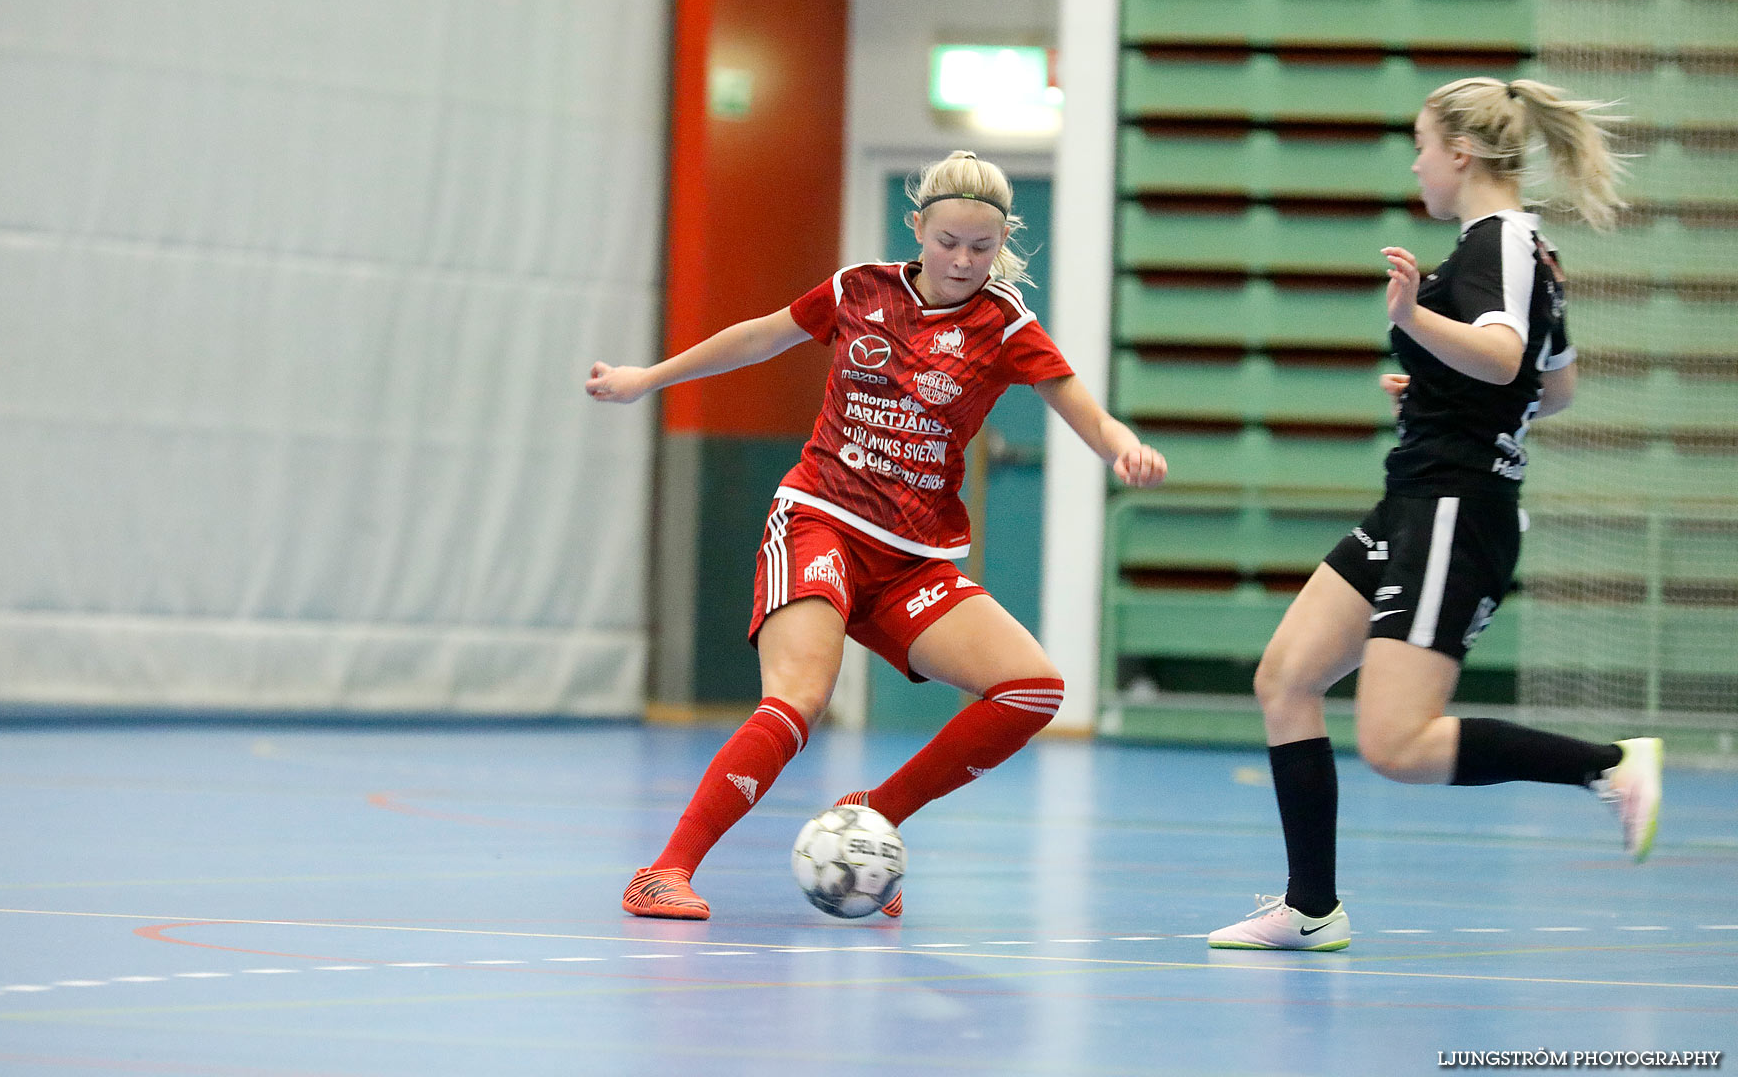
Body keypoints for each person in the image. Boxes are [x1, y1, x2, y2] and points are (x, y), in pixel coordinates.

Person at [587, 151, 1166, 920]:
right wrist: (646, 377)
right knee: (797, 702)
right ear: (918, 228)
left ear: (1001, 246)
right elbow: (759, 337)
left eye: (982, 248)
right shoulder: (858, 291)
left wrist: (1120, 446)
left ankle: (875, 813)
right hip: (821, 519)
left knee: (1032, 689)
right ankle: (664, 870)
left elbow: (1082, 409)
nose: (964, 261)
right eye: (950, 241)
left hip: (911, 560)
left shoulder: (1005, 325)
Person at [1206, 77, 1662, 952]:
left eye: (1421, 145)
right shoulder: (1520, 251)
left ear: (1460, 153)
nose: (1415, 163)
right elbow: (1552, 387)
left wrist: (1416, 319)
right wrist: (1434, 389)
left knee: (1397, 744)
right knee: (1286, 680)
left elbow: (1502, 357)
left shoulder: (1500, 242)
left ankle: (1608, 767)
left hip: (1457, 509)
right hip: (1416, 496)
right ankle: (1311, 908)